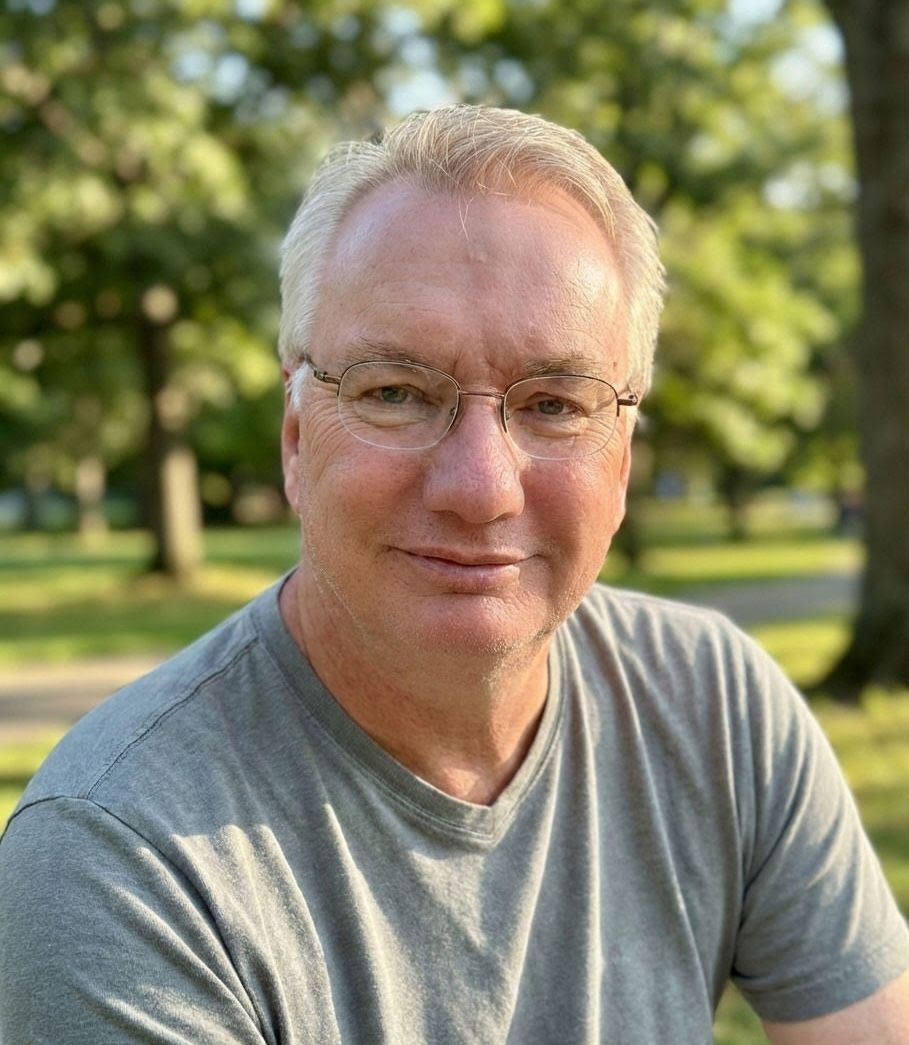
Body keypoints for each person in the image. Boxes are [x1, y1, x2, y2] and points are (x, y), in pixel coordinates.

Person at [1, 105, 907, 1044]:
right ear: (296, 439)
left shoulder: (713, 707)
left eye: (555, 403)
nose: (480, 486)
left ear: (623, 463)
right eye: (396, 391)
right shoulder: (120, 853)